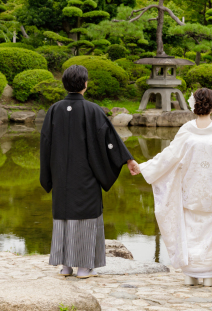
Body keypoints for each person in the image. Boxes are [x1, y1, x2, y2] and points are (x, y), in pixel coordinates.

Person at [40, 64, 141, 278]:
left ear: (65, 84)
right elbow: (110, 141)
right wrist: (127, 159)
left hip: (61, 176)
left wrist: (48, 175)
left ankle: (66, 265)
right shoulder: (93, 110)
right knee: (85, 217)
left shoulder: (54, 110)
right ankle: (84, 267)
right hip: (85, 176)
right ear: (85, 85)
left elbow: (45, 144)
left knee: (64, 217)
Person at [139, 88, 212, 287]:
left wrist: (145, 167)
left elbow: (169, 157)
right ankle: (208, 275)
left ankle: (190, 274)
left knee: (190, 231)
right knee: (211, 233)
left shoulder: (187, 130)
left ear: (194, 106)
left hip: (190, 191)